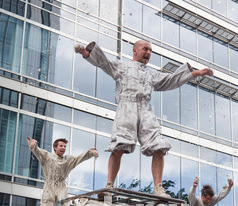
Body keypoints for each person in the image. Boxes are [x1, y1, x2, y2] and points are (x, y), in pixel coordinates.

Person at [75, 40, 213, 197]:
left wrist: (197, 73)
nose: (149, 53)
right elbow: (103, 63)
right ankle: (109, 185)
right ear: (135, 51)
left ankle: (158, 188)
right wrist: (85, 52)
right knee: (119, 145)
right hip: (127, 107)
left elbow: (170, 80)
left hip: (145, 108)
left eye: (151, 51)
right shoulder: (122, 66)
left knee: (158, 146)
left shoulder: (151, 73)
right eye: (145, 49)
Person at [27, 137, 98, 206]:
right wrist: (33, 145)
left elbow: (79, 158)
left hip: (61, 189)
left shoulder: (67, 160)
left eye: (64, 146)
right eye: (61, 146)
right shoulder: (47, 156)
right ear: (55, 147)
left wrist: (90, 152)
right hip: (49, 188)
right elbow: (38, 152)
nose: (63, 148)